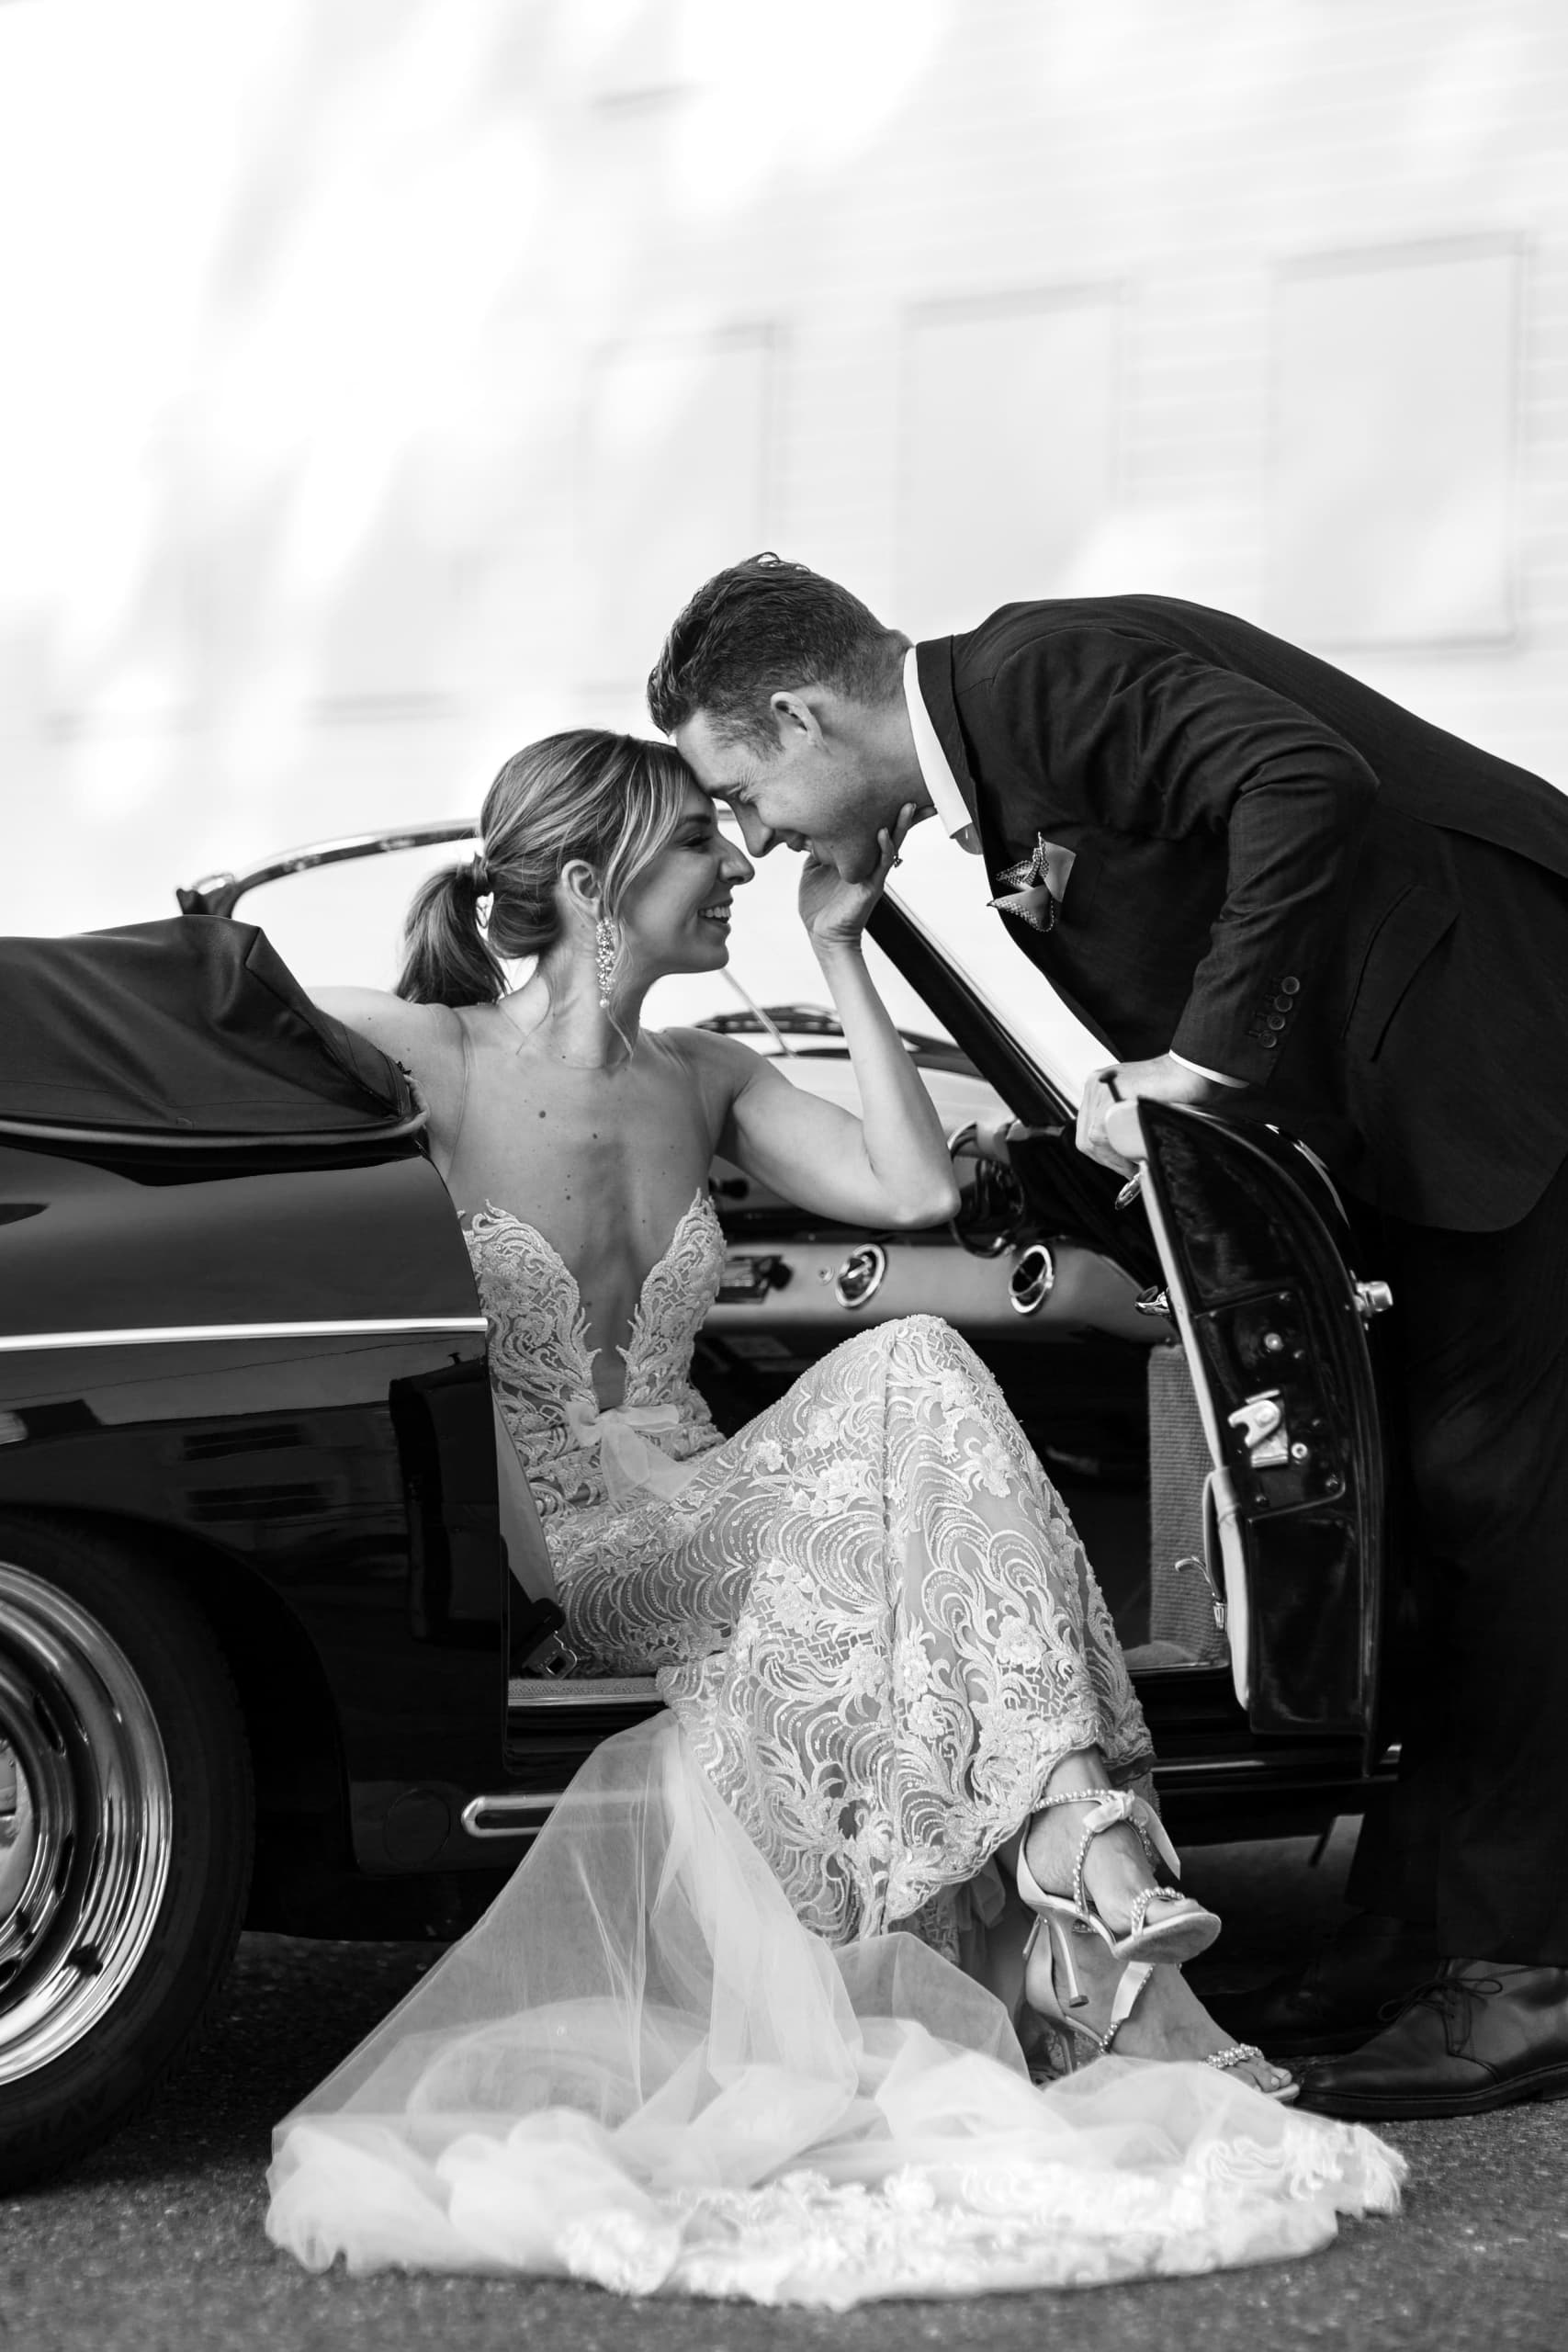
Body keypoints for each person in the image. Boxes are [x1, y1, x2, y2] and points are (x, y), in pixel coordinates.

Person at [265, 729, 1399, 2300]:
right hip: (578, 1545)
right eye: (698, 850)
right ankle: (1086, 1862)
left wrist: (838, 944)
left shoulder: (709, 1076)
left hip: (707, 1496)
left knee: (919, 1352)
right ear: (590, 886)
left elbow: (913, 1194)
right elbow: (217, 1013)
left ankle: (1077, 1840)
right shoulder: (434, 1058)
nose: (740, 862)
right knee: (907, 1399)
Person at [650, 555, 1568, 2122]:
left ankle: (1522, 1984)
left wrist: (1198, 1070)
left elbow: (1302, 780)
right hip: (1429, 1120)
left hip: (1512, 1061)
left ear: (801, 714)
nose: (756, 836)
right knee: (1437, 1520)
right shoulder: (1002, 759)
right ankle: (1416, 1938)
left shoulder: (1033, 677)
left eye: (744, 791)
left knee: (1510, 1518)